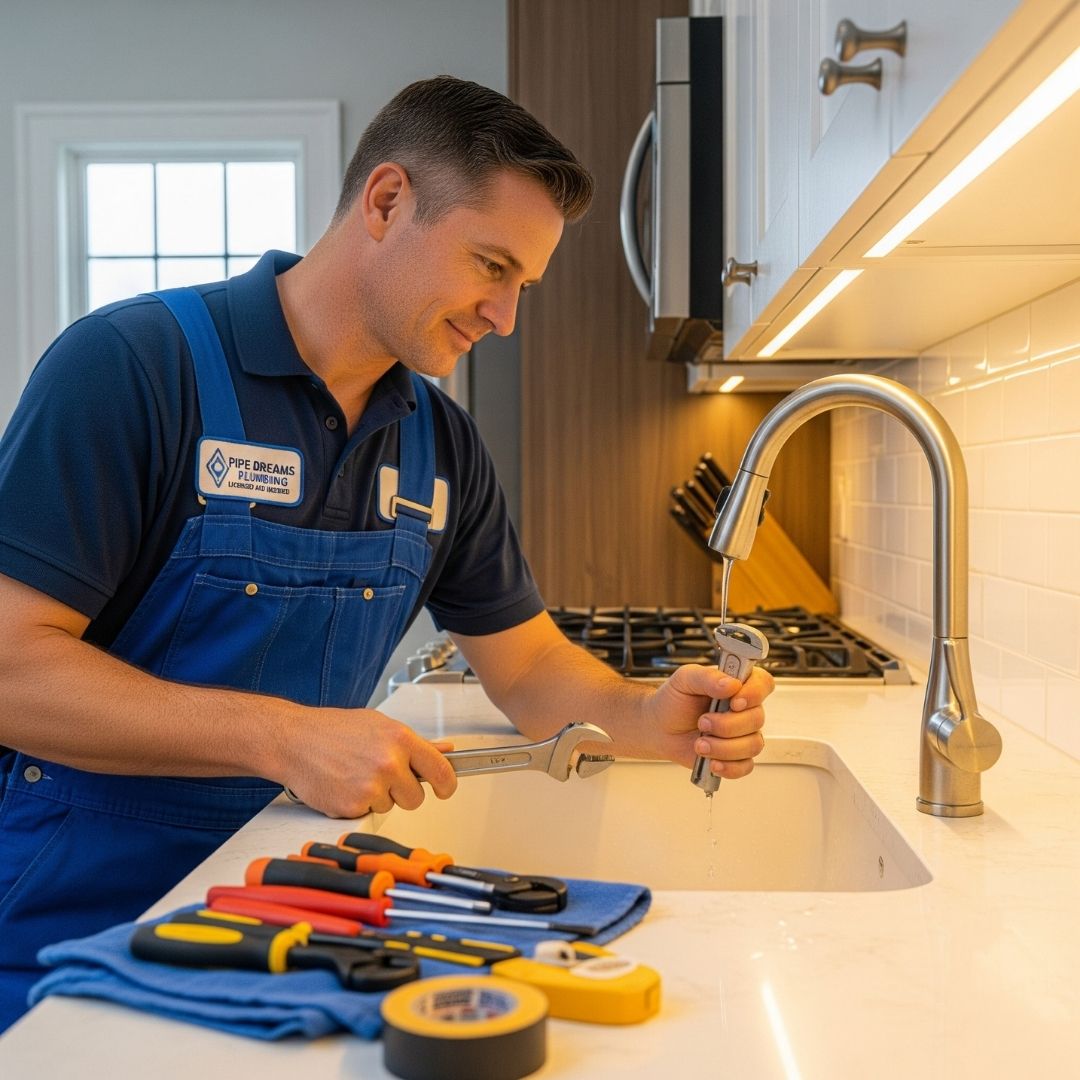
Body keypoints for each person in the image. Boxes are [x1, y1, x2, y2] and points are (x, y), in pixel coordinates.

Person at [0, 75, 773, 1030]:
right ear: (387, 201)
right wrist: (284, 736)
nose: (505, 317)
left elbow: (529, 666)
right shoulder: (130, 368)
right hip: (72, 931)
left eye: (523, 285)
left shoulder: (440, 444)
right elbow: (12, 670)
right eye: (491, 265)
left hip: (285, 927)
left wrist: (648, 717)